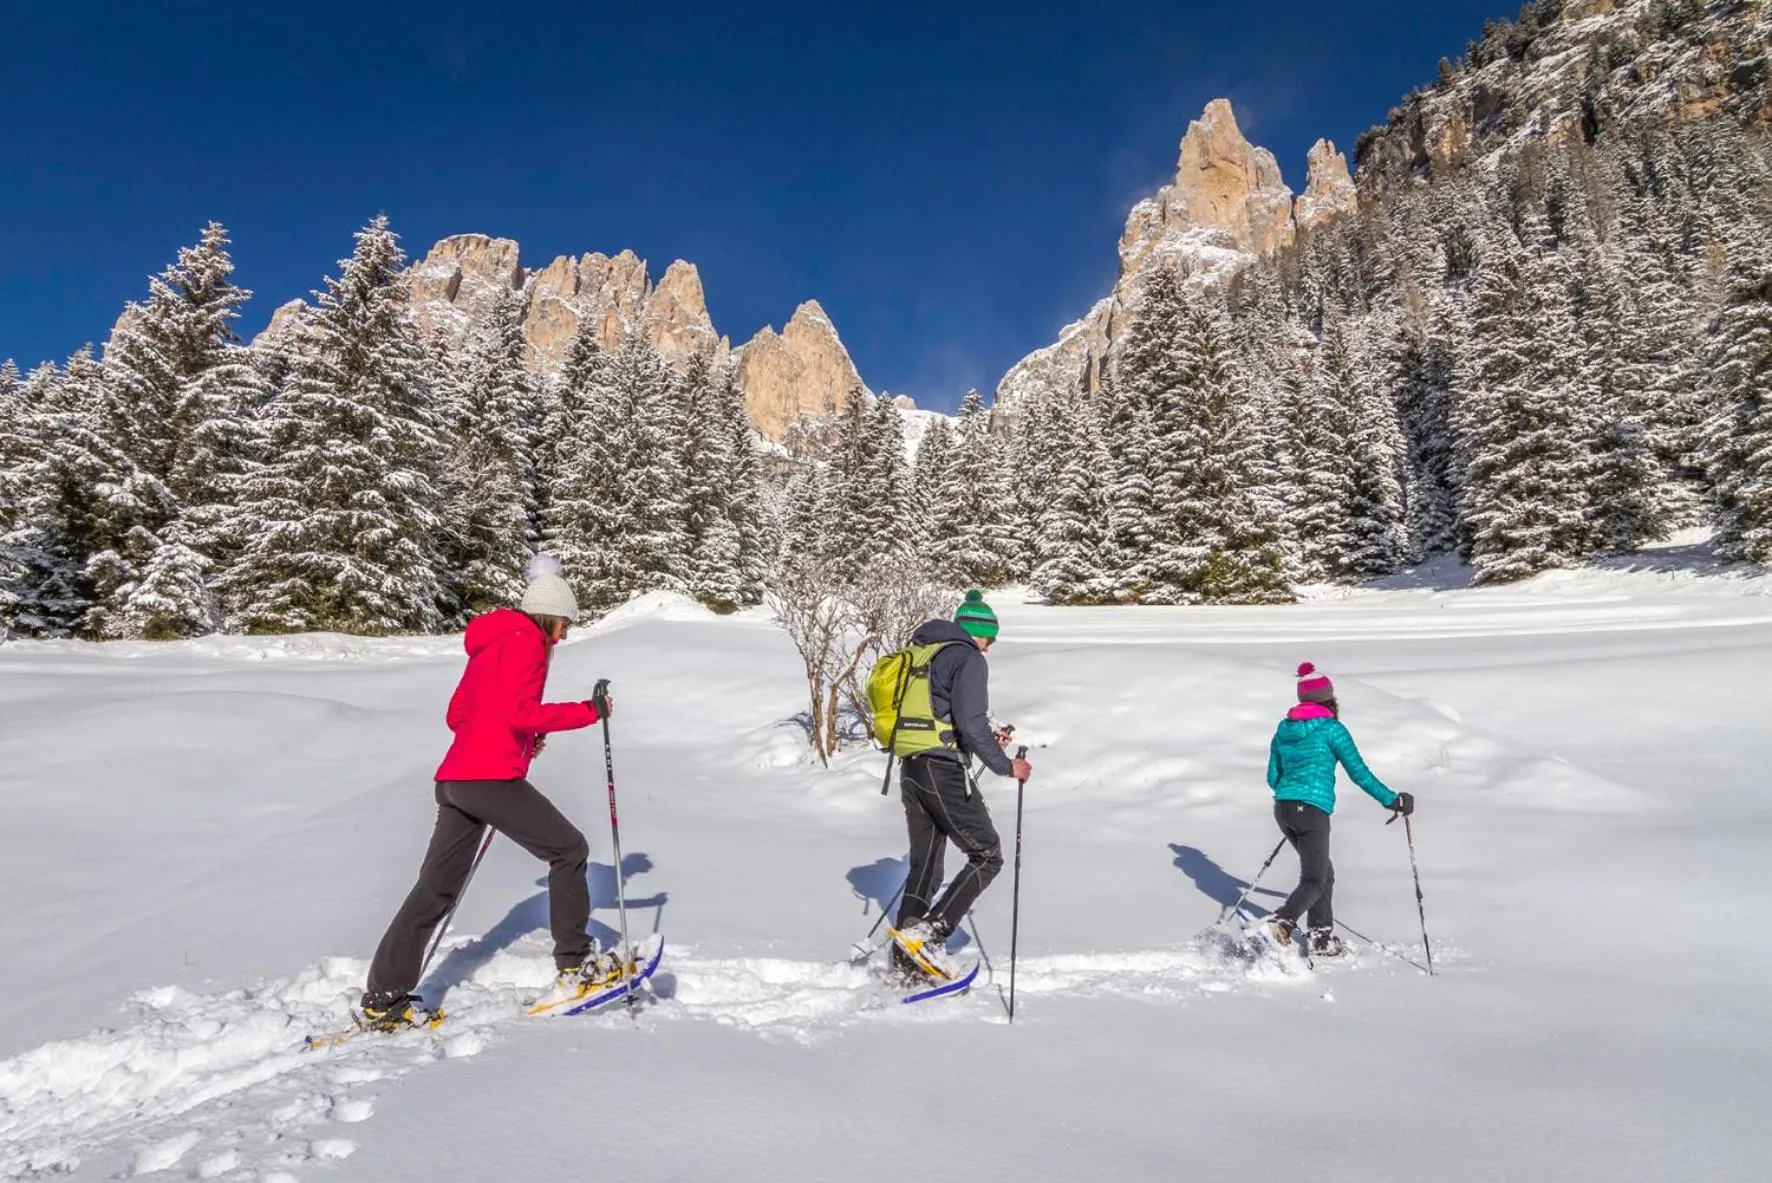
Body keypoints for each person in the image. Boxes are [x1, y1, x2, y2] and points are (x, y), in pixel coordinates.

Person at [359, 558, 614, 1029]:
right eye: (562, 626)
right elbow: (521, 711)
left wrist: (512, 739)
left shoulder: (490, 643)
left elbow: (459, 713)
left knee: (435, 889)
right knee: (570, 849)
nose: (562, 637)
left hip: (456, 780)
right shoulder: (526, 644)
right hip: (488, 780)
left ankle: (383, 996)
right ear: (547, 617)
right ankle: (576, 967)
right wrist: (588, 711)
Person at [888, 590, 1033, 979]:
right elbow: (969, 723)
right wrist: (1007, 766)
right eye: (991, 639)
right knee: (988, 854)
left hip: (911, 767)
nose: (989, 648)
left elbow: (953, 720)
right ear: (977, 631)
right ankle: (930, 936)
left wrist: (982, 739)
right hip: (941, 770)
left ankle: (905, 959)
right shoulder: (967, 656)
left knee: (927, 864)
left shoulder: (927, 652)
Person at [1264, 662, 1413, 957]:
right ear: (1329, 698)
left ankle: (1321, 938)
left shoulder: (1284, 728)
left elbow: (1273, 776)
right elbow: (1359, 772)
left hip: (1283, 809)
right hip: (1312, 811)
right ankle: (1283, 920)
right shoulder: (1332, 729)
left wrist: (1292, 796)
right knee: (1315, 880)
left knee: (1324, 875)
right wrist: (1392, 800)